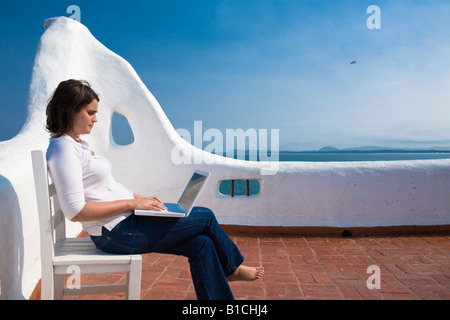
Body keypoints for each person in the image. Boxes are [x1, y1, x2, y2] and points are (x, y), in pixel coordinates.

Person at [45, 79, 264, 300]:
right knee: (205, 217)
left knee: (202, 244)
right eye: (90, 112)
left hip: (124, 223)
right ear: (70, 110)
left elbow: (103, 189)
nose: (96, 118)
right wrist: (132, 204)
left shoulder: (76, 144)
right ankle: (232, 268)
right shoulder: (63, 149)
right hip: (115, 233)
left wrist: (138, 199)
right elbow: (75, 211)